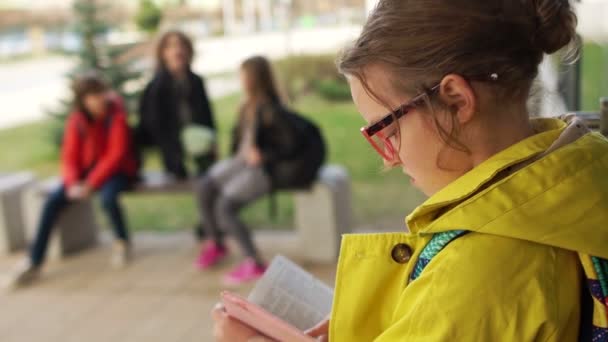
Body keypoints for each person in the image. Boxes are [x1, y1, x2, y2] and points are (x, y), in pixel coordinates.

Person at [212, 0, 608, 341]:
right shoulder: (567, 182)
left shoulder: (475, 274)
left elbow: (471, 305)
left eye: (388, 129)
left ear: (455, 99)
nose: (389, 158)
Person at [11, 72, 139, 287]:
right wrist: (72, 184)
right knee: (51, 202)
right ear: (83, 100)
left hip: (117, 172)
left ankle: (122, 241)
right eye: (92, 96)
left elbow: (115, 155)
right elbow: (69, 156)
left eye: (100, 94)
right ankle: (34, 259)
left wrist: (91, 183)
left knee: (108, 197)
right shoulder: (76, 120)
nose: (98, 100)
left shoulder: (116, 115)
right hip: (85, 176)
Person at [195, 56, 308, 286]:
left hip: (263, 170)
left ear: (254, 79)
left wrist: (265, 155)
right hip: (240, 163)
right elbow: (239, 143)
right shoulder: (247, 105)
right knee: (205, 187)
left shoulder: (272, 109)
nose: (241, 80)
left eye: (243, 75)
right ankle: (216, 243)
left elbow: (291, 146)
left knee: (224, 207)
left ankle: (255, 262)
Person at [137, 30, 217, 180]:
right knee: (179, 175)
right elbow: (153, 124)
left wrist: (212, 140)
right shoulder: (157, 85)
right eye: (171, 47)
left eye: (181, 46)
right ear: (163, 53)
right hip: (168, 140)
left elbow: (207, 116)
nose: (177, 51)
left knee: (210, 175)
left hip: (193, 135)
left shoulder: (196, 81)